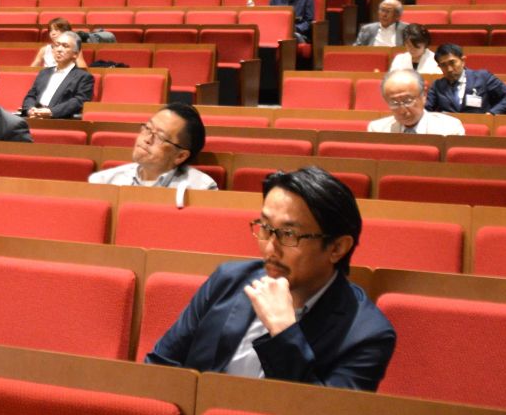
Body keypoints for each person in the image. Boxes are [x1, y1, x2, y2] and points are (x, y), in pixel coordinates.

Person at [142, 167, 396, 391]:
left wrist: (284, 332)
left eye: (289, 234)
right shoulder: (228, 279)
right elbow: (160, 365)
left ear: (337, 248)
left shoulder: (367, 334)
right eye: (265, 227)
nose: (270, 248)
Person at [89, 103, 215, 189]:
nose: (147, 139)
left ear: (180, 156)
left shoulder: (201, 188)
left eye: (160, 136)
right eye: (148, 128)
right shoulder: (104, 181)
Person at [423, 45, 506, 115]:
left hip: (479, 127)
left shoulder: (482, 77)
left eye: (452, 63)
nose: (449, 69)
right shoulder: (437, 86)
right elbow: (425, 110)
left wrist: (491, 113)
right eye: (443, 65)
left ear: (463, 61)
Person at [19, 30, 95, 120]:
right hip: (33, 117)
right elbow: (31, 96)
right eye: (57, 45)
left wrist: (51, 112)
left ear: (75, 54)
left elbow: (79, 101)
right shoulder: (44, 73)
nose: (59, 49)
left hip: (58, 120)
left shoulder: (84, 77)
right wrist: (30, 110)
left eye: (65, 46)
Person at [368, 69, 465, 135]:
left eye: (408, 101)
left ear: (424, 96)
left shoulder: (449, 129)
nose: (402, 111)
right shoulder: (377, 130)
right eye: (394, 103)